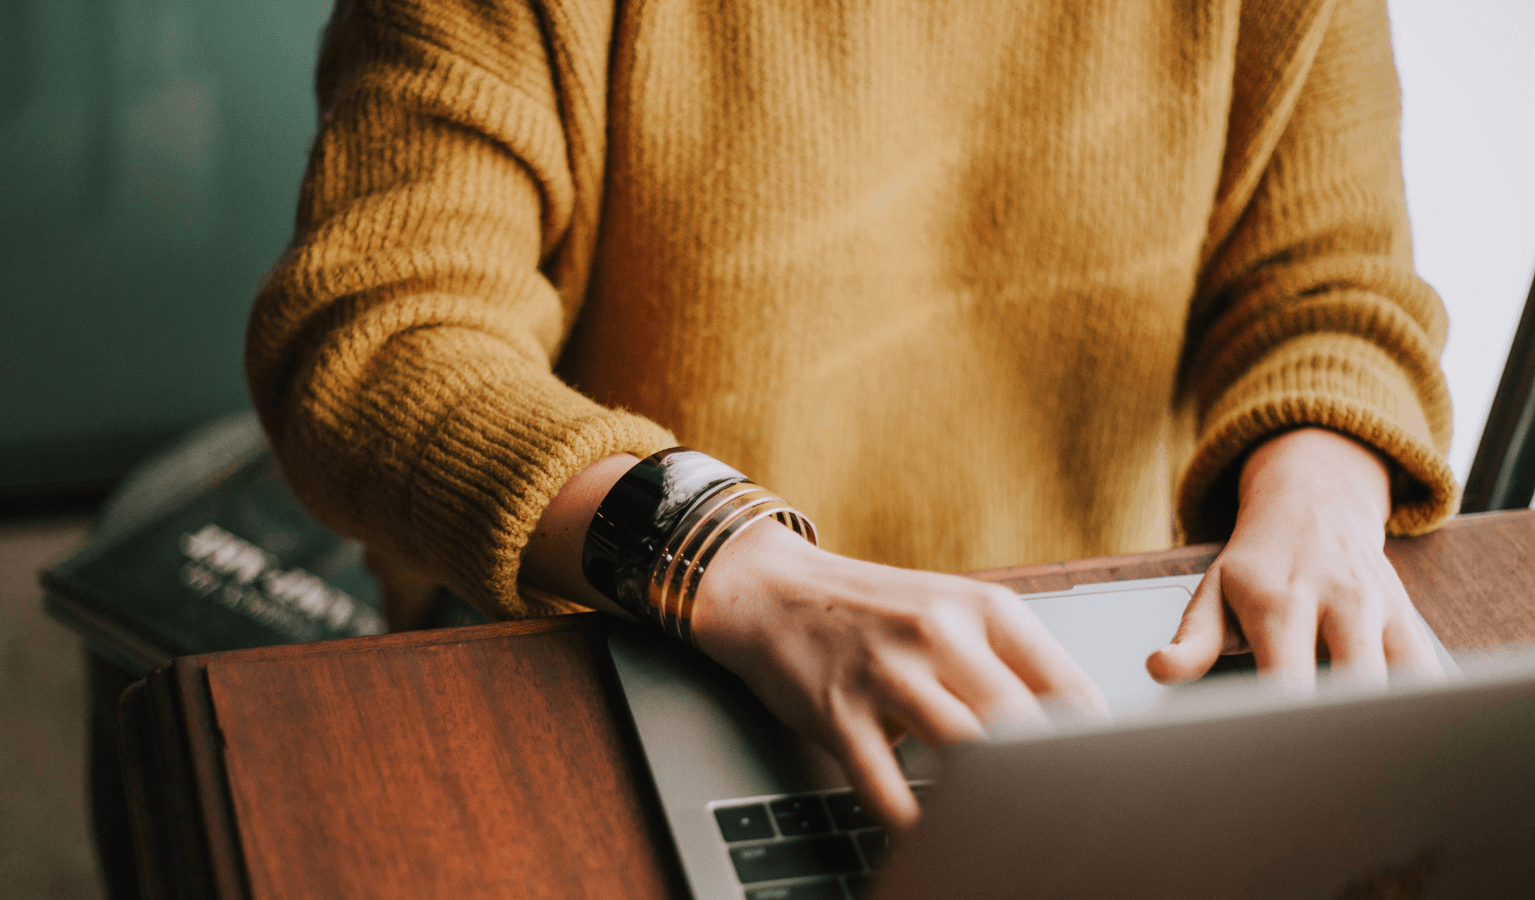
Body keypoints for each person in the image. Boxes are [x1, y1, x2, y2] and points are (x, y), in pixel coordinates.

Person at [246, 0, 1457, 832]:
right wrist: (721, 557)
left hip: (1082, 672)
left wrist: (1323, 488)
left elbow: (1332, 289)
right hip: (631, 634)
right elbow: (375, 334)